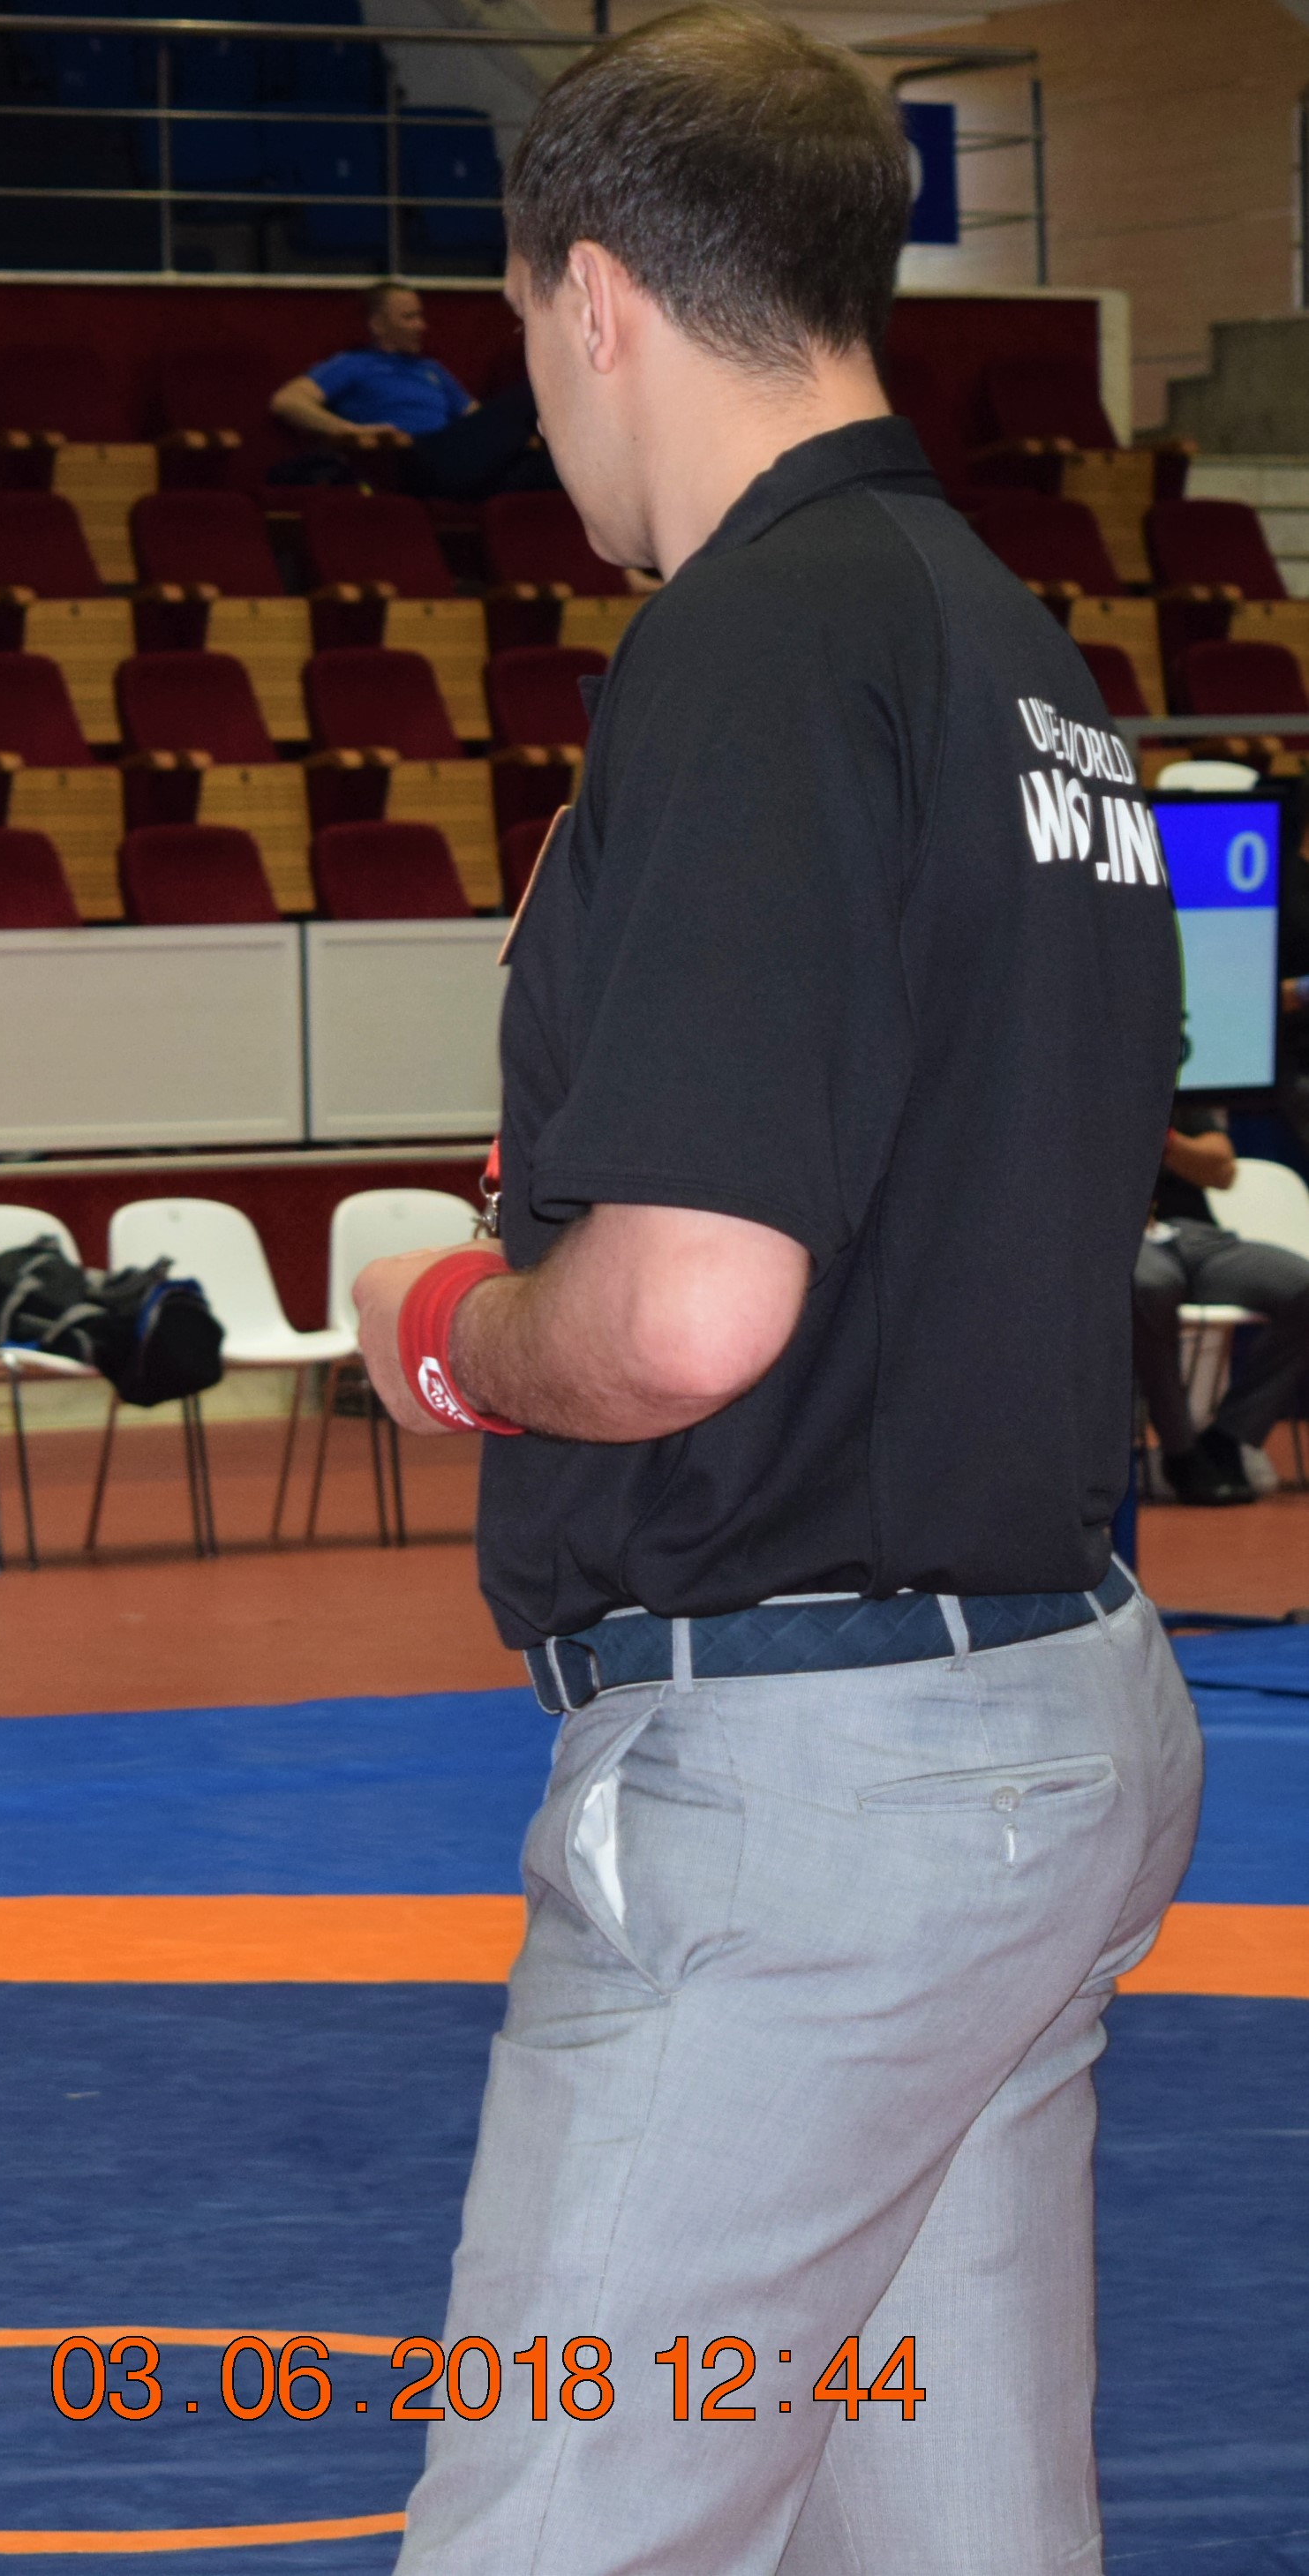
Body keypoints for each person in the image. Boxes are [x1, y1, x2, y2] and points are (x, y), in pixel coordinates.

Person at [342, 12, 1194, 2570]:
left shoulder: (758, 645)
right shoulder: (1019, 655)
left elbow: (688, 1312)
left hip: (818, 1806)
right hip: (1030, 1730)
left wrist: (443, 1337)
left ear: (591, 294)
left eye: (522, 335)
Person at [1132, 1098, 1309, 1505]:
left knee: (1302, 1287)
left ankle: (1227, 1438)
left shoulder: (1173, 1093)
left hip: (1197, 1239)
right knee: (1151, 1286)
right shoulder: (1077, 1097)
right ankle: (1180, 1451)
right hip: (1130, 1242)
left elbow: (1222, 1170)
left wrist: (1162, 1139)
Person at [268, 279, 553, 501]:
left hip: (459, 461)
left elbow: (478, 419)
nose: (421, 326)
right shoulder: (354, 364)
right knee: (533, 393)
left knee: (552, 471)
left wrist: (516, 438)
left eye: (420, 316)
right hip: (412, 459)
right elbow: (287, 401)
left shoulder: (431, 369)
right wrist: (350, 430)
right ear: (378, 325)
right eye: (409, 317)